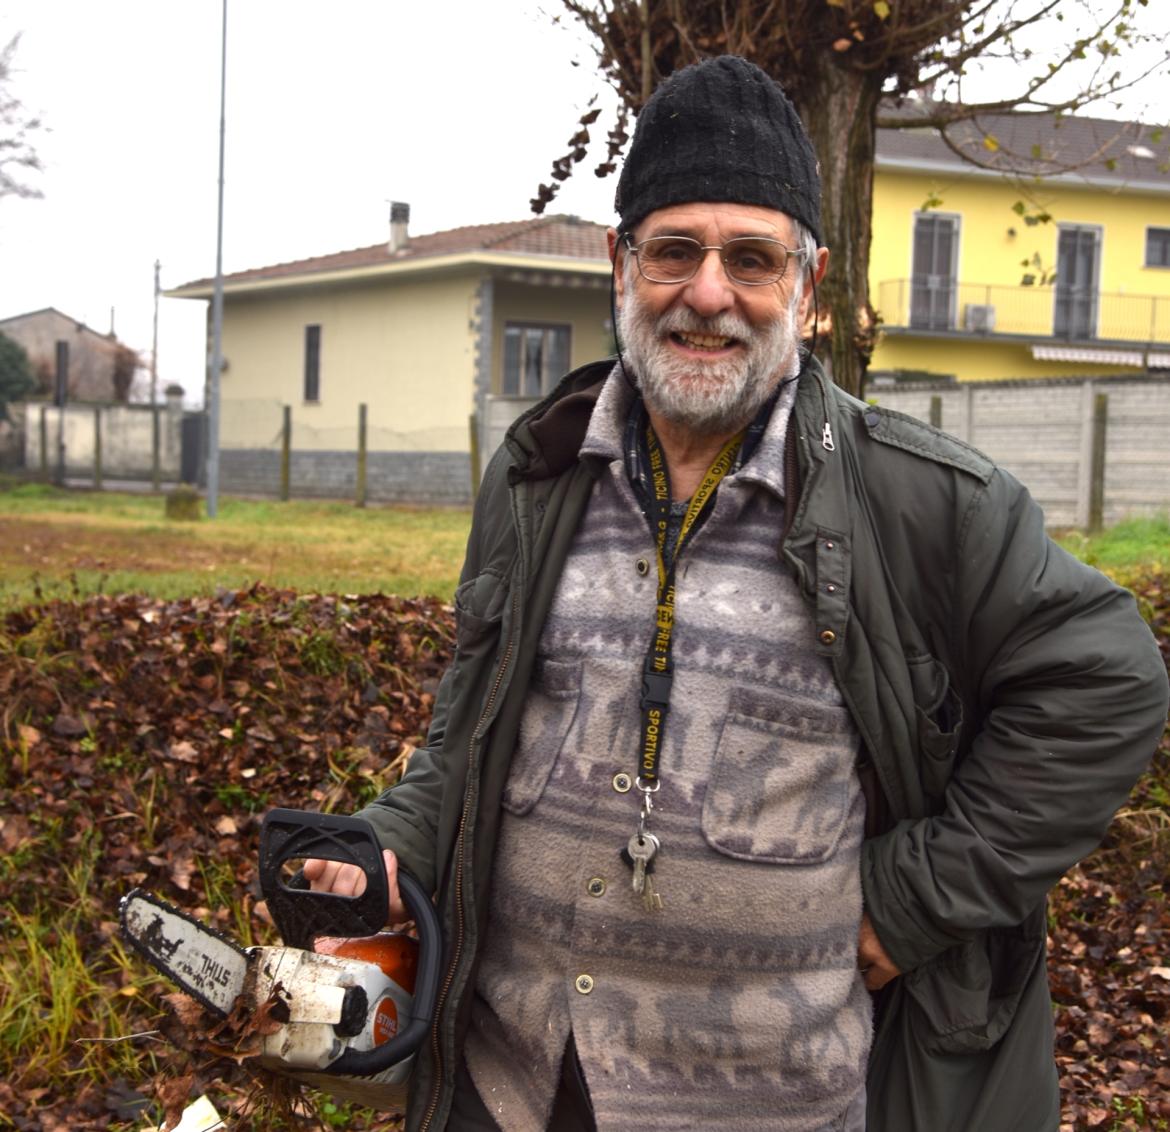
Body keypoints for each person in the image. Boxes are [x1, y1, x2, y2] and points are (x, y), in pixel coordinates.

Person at [304, 56, 1169, 1132]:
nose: (708, 294)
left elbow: (1107, 682)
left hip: (777, 1103)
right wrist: (391, 843)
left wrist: (913, 900)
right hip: (514, 1087)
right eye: (675, 250)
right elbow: (469, 739)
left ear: (807, 287)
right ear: (621, 263)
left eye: (751, 259)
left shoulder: (917, 499)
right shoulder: (536, 476)